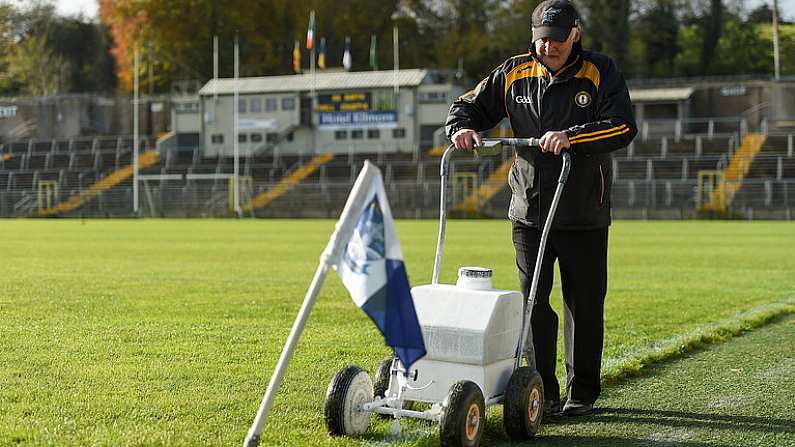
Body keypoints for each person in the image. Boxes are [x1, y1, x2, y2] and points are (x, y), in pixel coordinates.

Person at [445, 0, 636, 416]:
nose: (549, 47)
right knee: (533, 302)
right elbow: (467, 105)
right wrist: (461, 128)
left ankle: (582, 392)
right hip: (528, 209)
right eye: (541, 39)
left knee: (583, 304)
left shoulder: (601, 71)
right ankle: (542, 391)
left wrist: (572, 136)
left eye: (557, 38)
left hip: (583, 209)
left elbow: (623, 125)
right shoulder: (514, 72)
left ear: (576, 34)